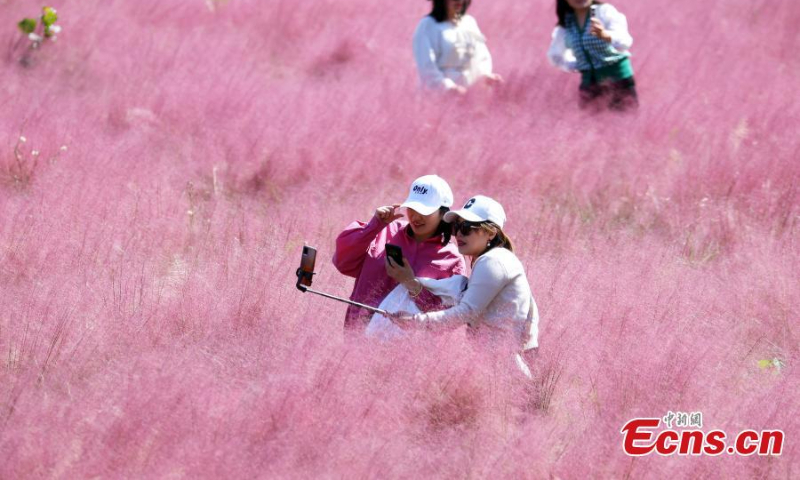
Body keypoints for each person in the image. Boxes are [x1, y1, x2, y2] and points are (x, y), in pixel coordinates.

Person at [388, 195, 539, 375]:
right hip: (501, 367)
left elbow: (466, 312)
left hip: (501, 372)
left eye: (467, 227)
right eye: (457, 227)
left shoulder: (493, 261)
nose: (459, 234)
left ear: (491, 232)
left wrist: (416, 322)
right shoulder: (499, 259)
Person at [333, 175, 467, 331]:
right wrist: (373, 226)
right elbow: (343, 262)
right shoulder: (385, 229)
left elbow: (448, 319)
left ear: (443, 213)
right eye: (412, 208)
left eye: (425, 211)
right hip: (357, 336)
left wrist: (410, 282)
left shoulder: (452, 259)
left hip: (406, 350)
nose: (416, 216)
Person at [547, 0, 638, 110]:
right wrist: (577, 64)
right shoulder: (567, 23)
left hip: (618, 79)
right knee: (589, 125)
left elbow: (625, 40)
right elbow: (555, 55)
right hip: (589, 84)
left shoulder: (604, 12)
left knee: (625, 121)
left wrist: (605, 35)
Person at [412, 0, 502, 94]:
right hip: (437, 99)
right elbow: (427, 67)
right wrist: (449, 89)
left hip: (470, 98)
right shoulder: (428, 25)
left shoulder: (469, 22)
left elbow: (482, 57)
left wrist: (485, 77)